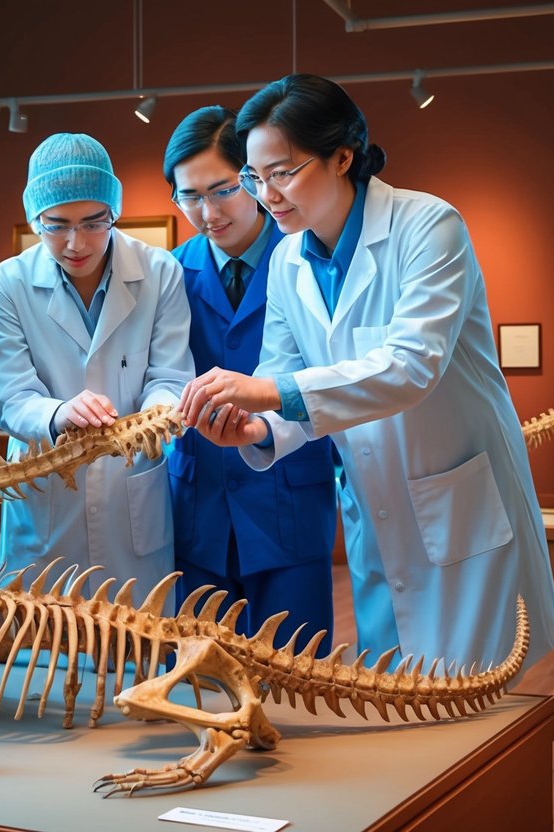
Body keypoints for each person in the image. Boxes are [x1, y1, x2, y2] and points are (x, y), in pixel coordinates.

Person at [179, 74, 554, 673]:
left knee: (483, 699)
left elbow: (411, 367)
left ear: (341, 156)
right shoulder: (287, 259)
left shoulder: (429, 227)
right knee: (396, 694)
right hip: (376, 506)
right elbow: (287, 375)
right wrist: (259, 430)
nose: (268, 194)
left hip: (455, 497)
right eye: (256, 178)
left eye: (282, 172)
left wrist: (269, 392)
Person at [0, 133, 194, 605]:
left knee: (136, 655)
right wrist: (60, 414)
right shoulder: (8, 283)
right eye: (56, 225)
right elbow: (14, 396)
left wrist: (144, 425)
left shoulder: (159, 272)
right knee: (39, 655)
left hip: (131, 486)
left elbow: (170, 379)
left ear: (114, 212)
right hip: (45, 493)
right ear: (35, 217)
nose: (76, 243)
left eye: (93, 223)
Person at [163, 106, 338, 648]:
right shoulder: (168, 272)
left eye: (221, 190)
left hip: (289, 495)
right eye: (188, 195)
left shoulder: (308, 259)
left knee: (297, 680)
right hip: (199, 505)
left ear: (254, 178)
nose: (207, 211)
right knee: (200, 683)